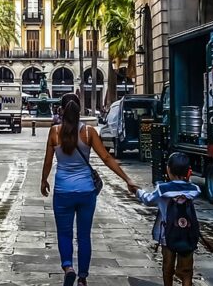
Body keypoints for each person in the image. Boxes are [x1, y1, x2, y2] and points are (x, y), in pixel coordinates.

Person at [41, 93, 138, 286]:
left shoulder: (54, 132)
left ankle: (68, 267)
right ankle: (83, 278)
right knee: (84, 235)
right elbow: (107, 159)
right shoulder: (88, 132)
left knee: (64, 233)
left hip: (63, 191)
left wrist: (43, 181)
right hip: (86, 191)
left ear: (61, 110)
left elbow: (48, 161)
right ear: (79, 111)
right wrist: (127, 178)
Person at [136, 152, 202, 286]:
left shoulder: (162, 189)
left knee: (167, 268)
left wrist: (137, 191)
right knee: (187, 271)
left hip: (168, 234)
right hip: (187, 234)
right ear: (188, 171)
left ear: (168, 170)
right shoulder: (194, 189)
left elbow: (148, 200)